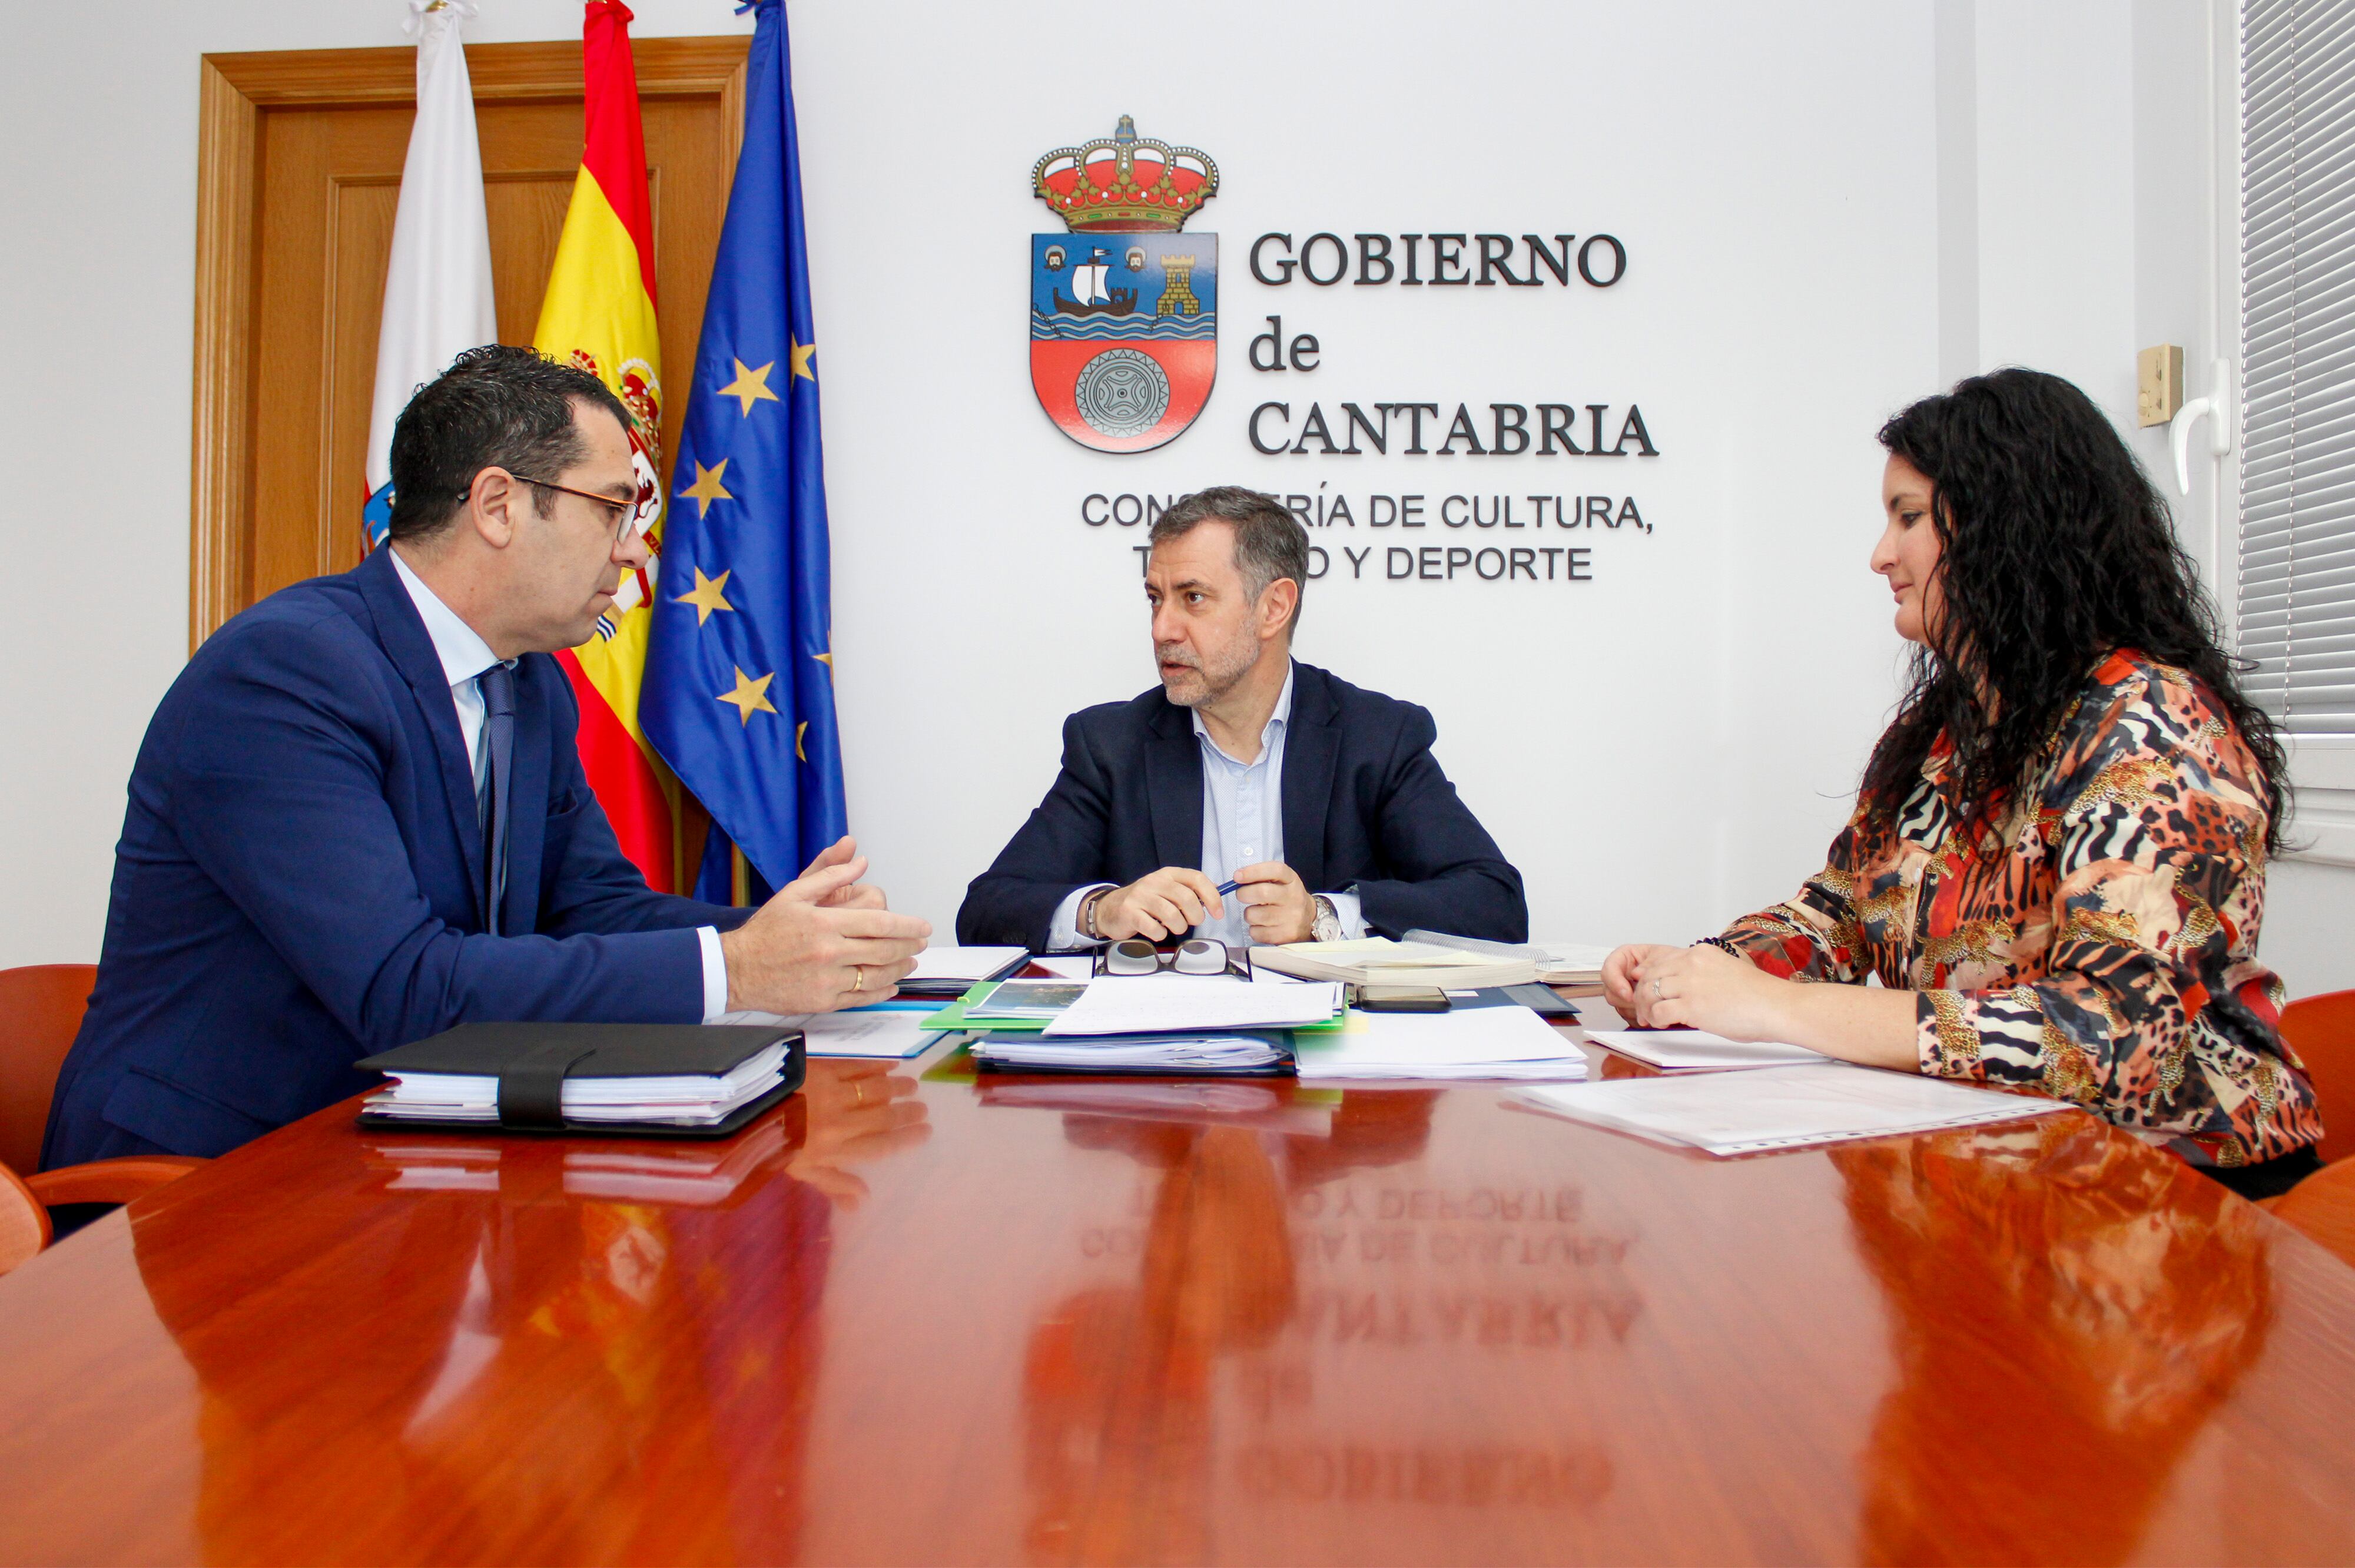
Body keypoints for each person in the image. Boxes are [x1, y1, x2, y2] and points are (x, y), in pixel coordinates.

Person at [44, 346, 928, 1165]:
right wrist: (740, 967)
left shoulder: (529, 681)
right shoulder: (285, 675)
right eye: (616, 508)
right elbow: (408, 990)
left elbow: (592, 906)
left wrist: (804, 943)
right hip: (203, 1178)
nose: (633, 549)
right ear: (500, 504)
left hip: (396, 1153)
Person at [1602, 368, 2323, 1197]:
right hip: (1996, 1174)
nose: (1880, 556)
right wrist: (1693, 974)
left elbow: (2110, 1037)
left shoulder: (2152, 727)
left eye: (1907, 517)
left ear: (2006, 526)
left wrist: (1771, 1009)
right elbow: (1840, 913)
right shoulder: (1945, 735)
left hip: (2176, 1197)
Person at [958, 486, 1525, 953]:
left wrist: (1324, 915)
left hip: (1332, 1071)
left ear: (1274, 607)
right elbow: (986, 911)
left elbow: (1495, 905)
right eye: (1155, 598)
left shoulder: (1375, 738)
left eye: (1194, 598)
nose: (1162, 629)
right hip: (1167, 1065)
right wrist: (1099, 909)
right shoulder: (1112, 746)